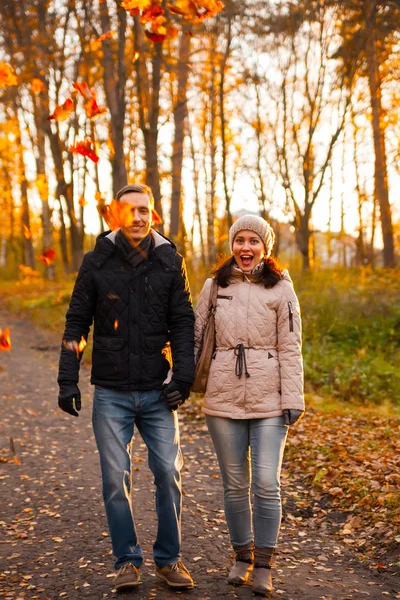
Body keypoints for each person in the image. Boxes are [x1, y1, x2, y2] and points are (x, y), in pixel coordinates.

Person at [57, 184, 195, 591]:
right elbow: (76, 323)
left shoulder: (171, 260)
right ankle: (127, 561)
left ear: (153, 214)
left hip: (157, 390)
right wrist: (67, 378)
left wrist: (182, 378)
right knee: (115, 479)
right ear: (116, 214)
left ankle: (169, 560)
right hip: (112, 393)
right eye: (131, 211)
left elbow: (183, 322)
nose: (139, 217)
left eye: (145, 210)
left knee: (169, 472)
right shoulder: (96, 261)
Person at [195, 215, 304, 596]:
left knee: (265, 482)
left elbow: (291, 347)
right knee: (234, 484)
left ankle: (264, 563)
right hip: (223, 398)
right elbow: (196, 339)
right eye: (239, 240)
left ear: (265, 247)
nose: (245, 247)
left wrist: (293, 398)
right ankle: (241, 557)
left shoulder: (281, 289)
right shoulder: (214, 285)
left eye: (252, 241)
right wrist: (177, 383)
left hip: (270, 399)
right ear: (231, 245)